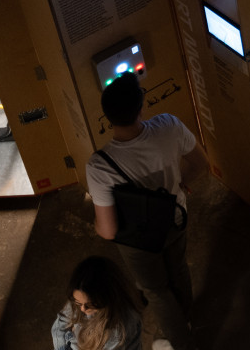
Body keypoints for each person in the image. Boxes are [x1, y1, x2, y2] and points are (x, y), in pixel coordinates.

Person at [85, 73, 207, 350]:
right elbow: (201, 163)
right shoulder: (169, 125)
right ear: (141, 107)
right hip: (175, 218)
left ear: (107, 117)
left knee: (155, 289)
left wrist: (96, 223)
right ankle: (185, 320)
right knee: (178, 270)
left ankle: (180, 342)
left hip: (139, 239)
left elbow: (108, 231)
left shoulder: (99, 165)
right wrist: (181, 183)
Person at [51, 256, 143, 350]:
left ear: (108, 296)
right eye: (78, 303)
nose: (83, 309)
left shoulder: (118, 330)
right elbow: (61, 322)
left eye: (90, 304)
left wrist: (70, 336)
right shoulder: (81, 297)